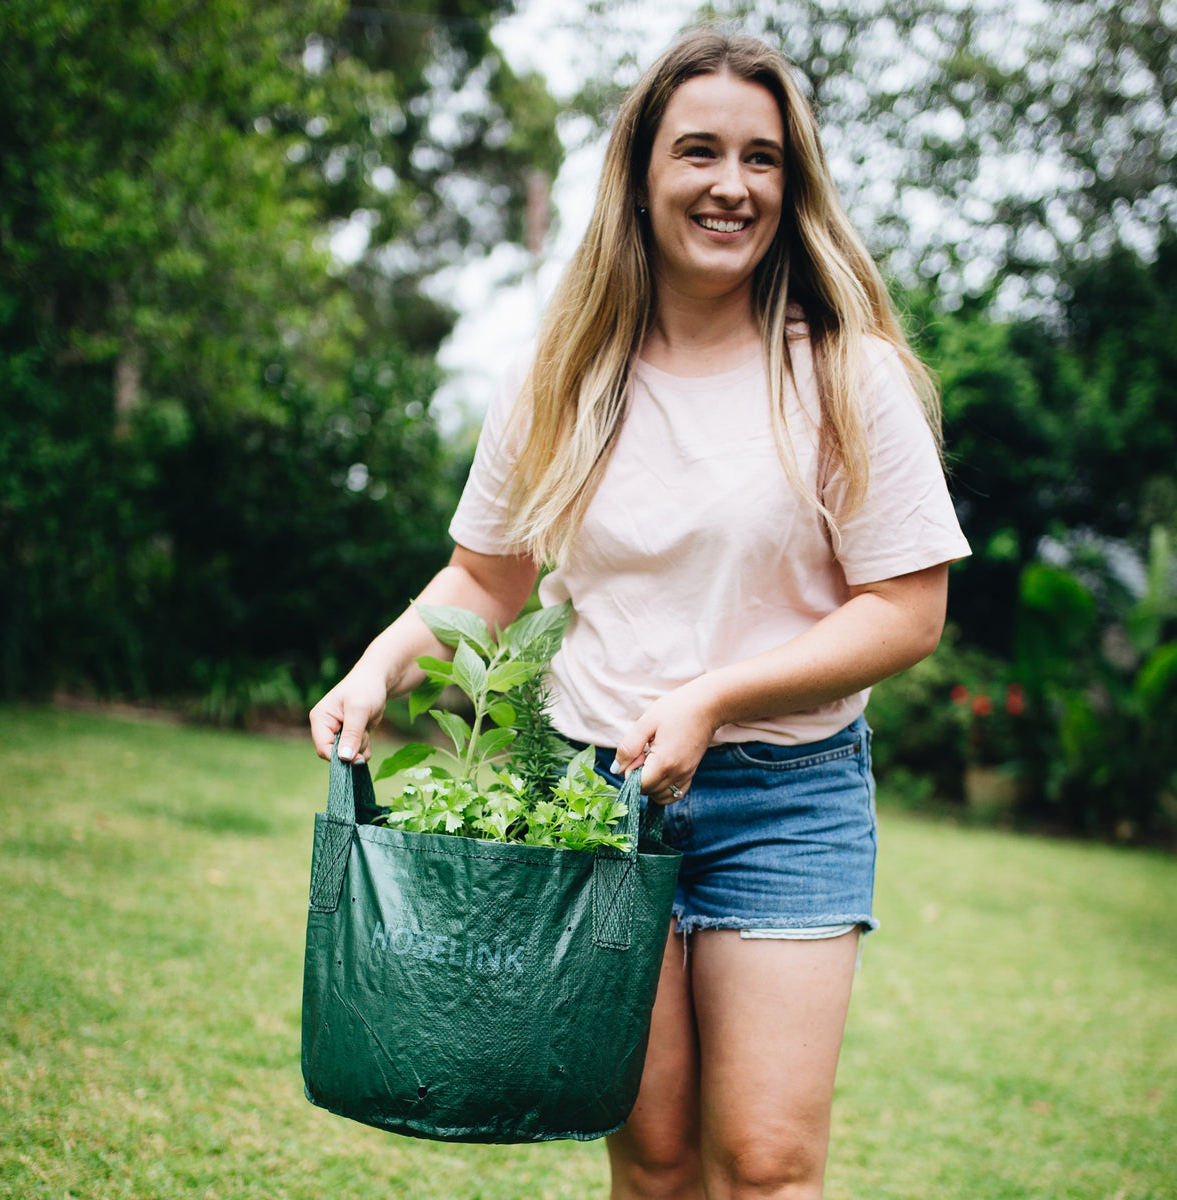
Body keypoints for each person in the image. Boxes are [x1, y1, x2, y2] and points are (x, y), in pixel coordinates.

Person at [310, 25, 970, 1200]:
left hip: (789, 798)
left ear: (793, 182)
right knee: (654, 1160)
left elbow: (907, 610)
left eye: (762, 159)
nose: (731, 184)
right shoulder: (564, 375)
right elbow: (485, 577)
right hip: (598, 797)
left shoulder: (845, 375)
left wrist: (716, 696)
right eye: (701, 151)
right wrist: (380, 667)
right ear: (642, 174)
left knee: (765, 1164)